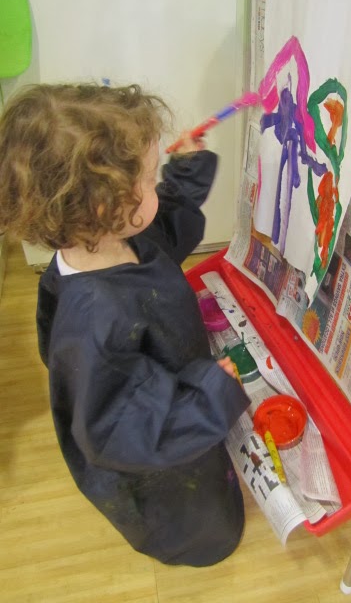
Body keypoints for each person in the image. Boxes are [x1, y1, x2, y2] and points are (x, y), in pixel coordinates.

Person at [0, 83, 251, 567]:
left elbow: (164, 227)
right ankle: (203, 547)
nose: (157, 186)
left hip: (173, 392)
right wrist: (209, 397)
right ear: (107, 206)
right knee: (201, 519)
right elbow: (125, 432)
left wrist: (186, 171)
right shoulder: (95, 321)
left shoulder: (108, 239)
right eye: (152, 179)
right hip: (160, 474)